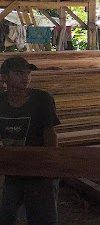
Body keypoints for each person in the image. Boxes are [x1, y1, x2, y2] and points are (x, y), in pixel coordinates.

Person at [0, 55, 60, 225]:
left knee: (42, 218)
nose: (26, 77)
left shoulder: (42, 99)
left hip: (39, 169)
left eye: (28, 73)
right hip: (14, 169)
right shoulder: (1, 102)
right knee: (6, 216)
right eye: (19, 73)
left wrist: (51, 164)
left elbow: (50, 132)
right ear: (4, 77)